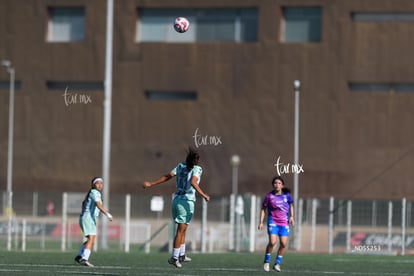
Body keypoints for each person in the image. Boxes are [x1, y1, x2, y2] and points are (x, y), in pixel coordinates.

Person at [143, 147, 210, 268]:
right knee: (180, 231)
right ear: (197, 161)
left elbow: (168, 176)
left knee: (183, 229)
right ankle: (174, 257)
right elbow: (194, 182)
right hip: (186, 202)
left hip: (176, 200)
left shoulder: (180, 166)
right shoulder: (197, 169)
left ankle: (182, 255)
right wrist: (204, 194)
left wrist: (151, 183)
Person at [258, 176, 294, 272]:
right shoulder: (269, 196)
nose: (277, 185)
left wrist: (291, 216)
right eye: (275, 183)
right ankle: (266, 262)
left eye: (279, 183)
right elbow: (263, 209)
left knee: (283, 244)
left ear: (282, 185)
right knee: (272, 242)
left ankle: (277, 264)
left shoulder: (287, 196)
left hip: (284, 223)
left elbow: (291, 205)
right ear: (273, 185)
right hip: (273, 222)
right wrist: (261, 222)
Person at [75, 177, 113, 267]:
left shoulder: (92, 193)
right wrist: (108, 215)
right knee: (91, 239)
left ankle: (80, 256)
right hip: (88, 219)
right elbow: (98, 205)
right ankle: (84, 258)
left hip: (87, 218)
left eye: (101, 183)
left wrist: (84, 214)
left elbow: (84, 204)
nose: (100, 185)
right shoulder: (95, 192)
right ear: (93, 185)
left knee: (90, 240)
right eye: (97, 183)